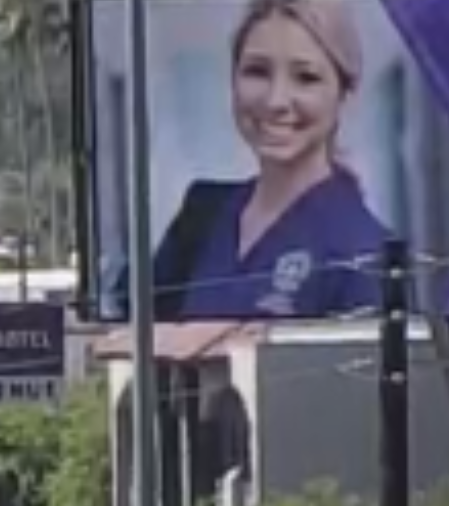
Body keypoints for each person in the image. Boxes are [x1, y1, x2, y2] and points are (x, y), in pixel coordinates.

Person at [143, 0, 392, 320]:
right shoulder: (200, 216)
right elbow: (135, 338)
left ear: (343, 94)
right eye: (257, 72)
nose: (276, 101)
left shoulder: (364, 252)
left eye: (306, 78)